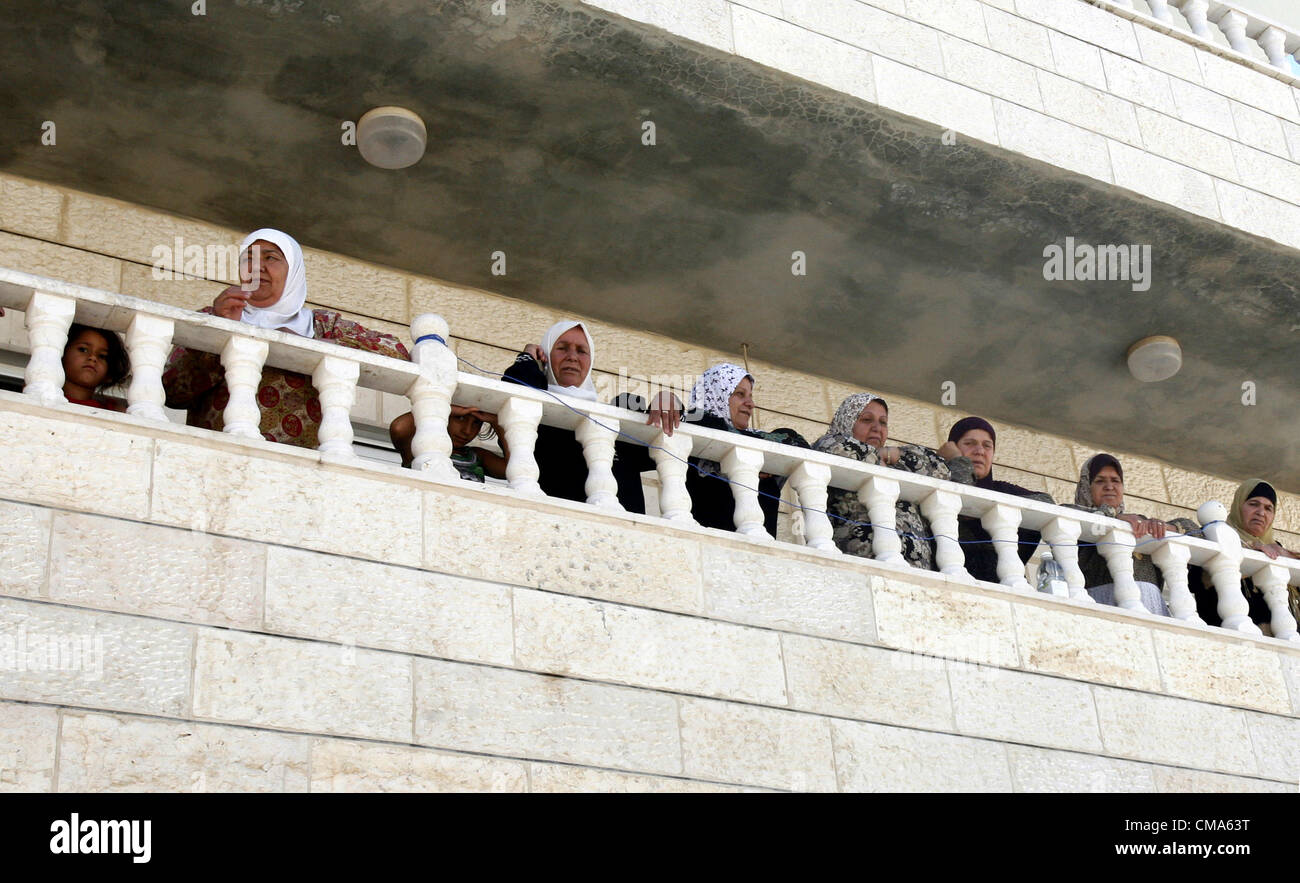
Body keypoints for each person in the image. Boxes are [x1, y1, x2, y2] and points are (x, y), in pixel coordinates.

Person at [162, 228, 409, 448]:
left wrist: (307, 345)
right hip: (219, 455)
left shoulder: (320, 325)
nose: (257, 267)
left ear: (294, 270)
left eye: (270, 258)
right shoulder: (214, 314)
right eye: (248, 259)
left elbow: (396, 352)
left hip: (300, 466)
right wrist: (218, 328)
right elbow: (172, 393)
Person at [492, 319, 679, 509]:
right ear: (546, 354)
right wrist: (528, 357)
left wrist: (669, 399)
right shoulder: (538, 417)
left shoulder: (616, 417)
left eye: (581, 351)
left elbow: (668, 446)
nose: (572, 357)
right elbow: (516, 393)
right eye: (562, 348)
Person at [814, 393, 972, 569]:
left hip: (916, 570)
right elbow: (835, 449)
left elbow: (941, 470)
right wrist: (885, 457)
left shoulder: (897, 463)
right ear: (848, 421)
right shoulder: (832, 444)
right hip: (861, 563)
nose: (876, 428)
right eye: (867, 420)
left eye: (883, 422)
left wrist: (892, 454)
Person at [683, 363, 809, 536]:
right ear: (716, 395)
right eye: (740, 394)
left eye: (750, 396)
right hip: (709, 548)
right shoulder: (696, 427)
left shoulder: (765, 441)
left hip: (764, 553)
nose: (751, 404)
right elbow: (707, 422)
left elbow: (798, 443)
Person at [1067, 453, 1199, 615]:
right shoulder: (1075, 514)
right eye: (1100, 481)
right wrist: (1113, 515)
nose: (1109, 486)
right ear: (1087, 486)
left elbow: (1198, 532)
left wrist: (1167, 527)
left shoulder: (1139, 522)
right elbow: (1067, 515)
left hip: (1152, 607)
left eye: (1115, 481)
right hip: (1102, 604)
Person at [947, 417, 1054, 583]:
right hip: (952, 581)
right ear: (952, 447)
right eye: (970, 443)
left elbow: (1046, 502)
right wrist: (955, 461)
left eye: (987, 446)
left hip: (1006, 585)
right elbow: (963, 491)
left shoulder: (1000, 490)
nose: (980, 451)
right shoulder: (939, 484)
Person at [1194, 479, 1299, 632]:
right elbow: (1196, 581)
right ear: (1238, 506)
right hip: (1229, 630)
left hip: (1280, 634)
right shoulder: (1214, 533)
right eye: (1253, 504)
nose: (1261, 513)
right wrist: (1247, 547)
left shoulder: (1274, 547)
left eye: (1268, 508)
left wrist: (1284, 554)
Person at [61, 323, 129, 411]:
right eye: (83, 349)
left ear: (109, 374)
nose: (93, 358)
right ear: (62, 354)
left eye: (102, 356)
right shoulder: (43, 397)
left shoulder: (113, 411)